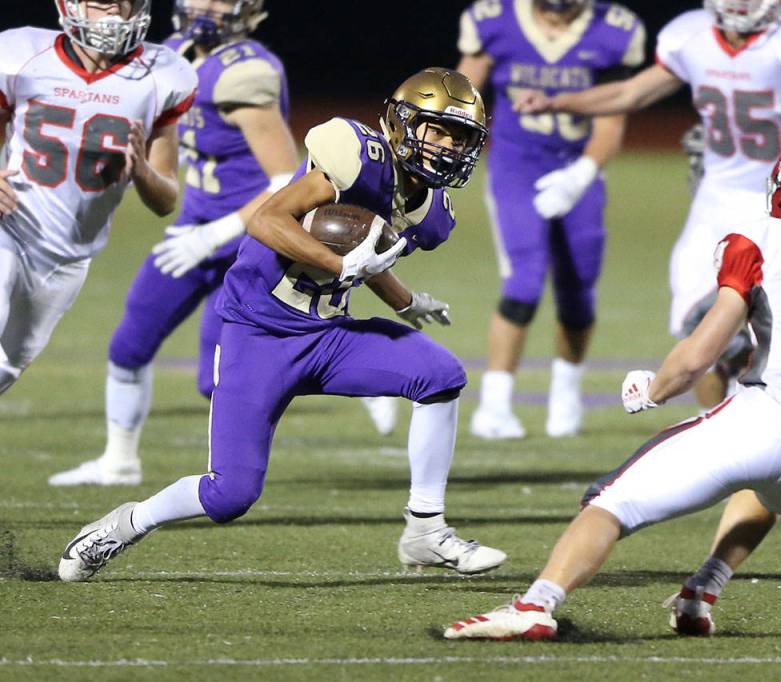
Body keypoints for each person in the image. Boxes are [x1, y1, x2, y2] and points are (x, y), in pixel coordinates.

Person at [442, 130, 781, 641]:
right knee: (766, 480)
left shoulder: (767, 237)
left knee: (611, 499)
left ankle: (535, 603)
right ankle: (701, 592)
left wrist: (652, 390)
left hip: (770, 423)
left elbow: (700, 354)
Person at [57, 68, 507, 581]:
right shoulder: (356, 154)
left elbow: (367, 254)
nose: (448, 147)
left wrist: (405, 303)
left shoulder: (431, 211)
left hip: (328, 335)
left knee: (440, 375)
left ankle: (426, 531)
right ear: (403, 123)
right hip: (260, 335)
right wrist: (340, 267)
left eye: (460, 137)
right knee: (230, 494)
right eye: (438, 130)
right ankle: (123, 524)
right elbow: (267, 221)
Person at [515, 0, 781, 409]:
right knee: (691, 323)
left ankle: (760, 416)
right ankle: (713, 425)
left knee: (761, 330)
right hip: (714, 199)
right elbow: (630, 92)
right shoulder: (691, 36)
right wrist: (558, 102)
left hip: (776, 205)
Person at [48, 0, 300, 487]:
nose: (207, 6)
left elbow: (287, 180)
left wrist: (216, 234)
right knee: (129, 343)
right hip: (193, 228)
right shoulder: (173, 54)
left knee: (219, 381)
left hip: (250, 238)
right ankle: (119, 461)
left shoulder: (245, 73)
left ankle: (353, 376)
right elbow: (156, 149)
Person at [456, 0, 645, 439]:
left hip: (579, 167)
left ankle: (566, 393)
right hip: (516, 168)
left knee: (578, 290)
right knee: (523, 283)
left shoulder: (614, 30)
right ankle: (495, 405)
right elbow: (462, 95)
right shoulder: (495, 19)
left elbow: (611, 118)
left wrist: (581, 175)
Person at [0, 1, 196, 397]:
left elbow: (165, 199)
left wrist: (141, 170)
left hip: (69, 257)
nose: (111, 7)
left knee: (6, 366)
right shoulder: (19, 56)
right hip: (10, 228)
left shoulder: (162, 75)